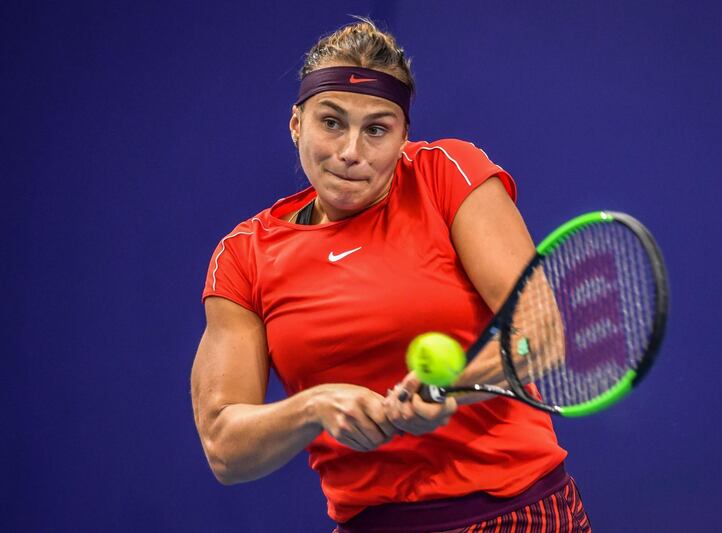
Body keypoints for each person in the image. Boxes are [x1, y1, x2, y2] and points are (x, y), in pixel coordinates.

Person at [191, 18, 591, 533]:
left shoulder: (447, 173)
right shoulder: (244, 255)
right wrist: (314, 405)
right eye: (331, 122)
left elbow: (540, 334)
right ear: (297, 124)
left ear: (403, 136)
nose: (350, 151)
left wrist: (449, 390)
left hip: (517, 513)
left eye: (376, 129)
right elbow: (225, 448)